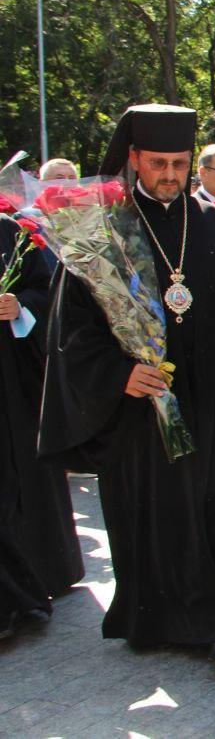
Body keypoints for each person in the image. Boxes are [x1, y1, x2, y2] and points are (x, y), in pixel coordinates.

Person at [37, 104, 215, 666]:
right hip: (139, 406)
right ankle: (155, 616)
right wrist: (119, 373)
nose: (171, 174)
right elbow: (73, 329)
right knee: (157, 508)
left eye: (180, 163)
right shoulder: (101, 231)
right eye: (159, 162)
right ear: (133, 159)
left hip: (213, 400)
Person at [1, 214, 83, 640]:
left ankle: (27, 590)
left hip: (11, 382)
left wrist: (19, 306)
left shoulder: (8, 231)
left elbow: (46, 292)